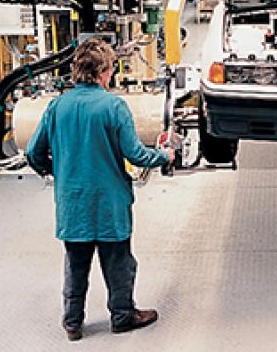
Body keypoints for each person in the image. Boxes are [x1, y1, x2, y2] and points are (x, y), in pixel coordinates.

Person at [27, 38, 174, 341]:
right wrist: (165, 156)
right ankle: (122, 316)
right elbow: (135, 154)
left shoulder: (57, 106)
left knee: (76, 266)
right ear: (103, 71)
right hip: (109, 204)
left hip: (73, 204)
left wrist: (56, 171)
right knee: (119, 263)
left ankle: (72, 323)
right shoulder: (113, 106)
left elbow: (33, 152)